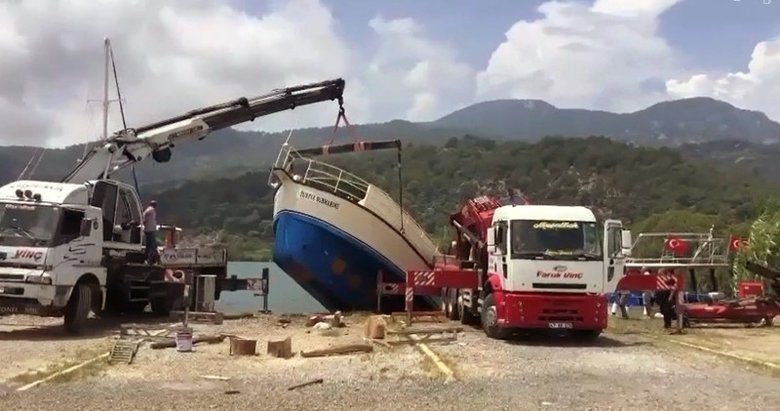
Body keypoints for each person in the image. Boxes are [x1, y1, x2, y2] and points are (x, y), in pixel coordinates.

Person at [143, 200, 159, 265]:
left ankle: (146, 259)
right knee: (153, 246)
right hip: (151, 230)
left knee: (148, 246)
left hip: (147, 230)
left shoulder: (146, 211)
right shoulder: (152, 210)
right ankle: (153, 260)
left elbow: (144, 220)